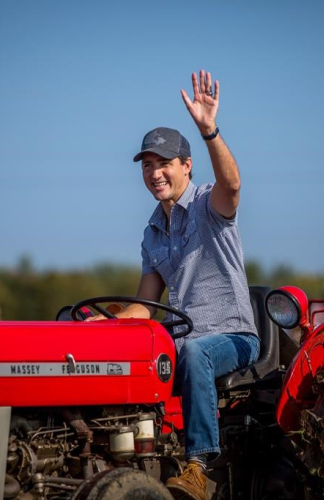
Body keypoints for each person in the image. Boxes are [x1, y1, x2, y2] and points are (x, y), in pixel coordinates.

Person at [87, 70, 259, 500]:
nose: (154, 173)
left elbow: (233, 185)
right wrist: (101, 329)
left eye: (163, 163)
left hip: (232, 337)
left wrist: (209, 130)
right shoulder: (151, 232)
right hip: (183, 344)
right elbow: (144, 306)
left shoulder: (207, 204)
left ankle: (199, 466)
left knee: (198, 350)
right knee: (132, 355)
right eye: (147, 165)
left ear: (186, 165)